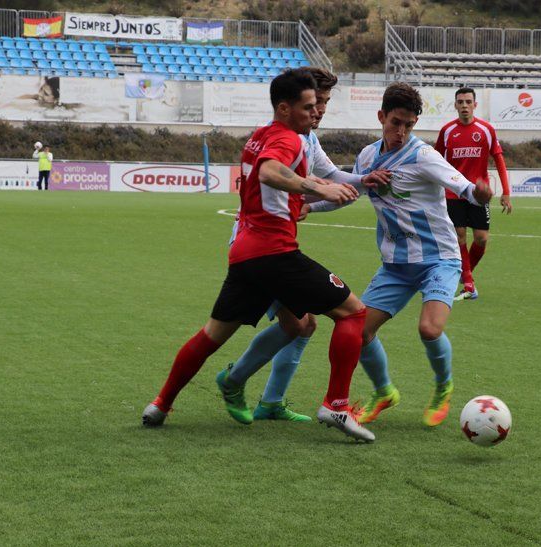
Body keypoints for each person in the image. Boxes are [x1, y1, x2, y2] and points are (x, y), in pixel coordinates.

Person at [142, 69, 375, 442]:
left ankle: (161, 403)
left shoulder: (259, 135)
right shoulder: (289, 140)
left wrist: (322, 189)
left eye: (318, 105)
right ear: (284, 108)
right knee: (354, 312)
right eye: (308, 106)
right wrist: (317, 187)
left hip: (244, 254)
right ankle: (336, 405)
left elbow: (273, 181)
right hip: (275, 253)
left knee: (212, 335)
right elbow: (269, 173)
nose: (314, 113)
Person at [304, 83, 493, 427]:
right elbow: (349, 193)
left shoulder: (423, 156)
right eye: (395, 123)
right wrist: (309, 209)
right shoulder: (366, 157)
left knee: (429, 329)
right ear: (381, 117)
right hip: (396, 265)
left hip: (439, 258)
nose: (401, 132)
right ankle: (384, 392)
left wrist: (479, 194)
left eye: (408, 125)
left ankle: (443, 387)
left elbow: (463, 186)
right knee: (359, 332)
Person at [217, 68, 390, 425]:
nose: (321, 109)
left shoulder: (309, 139)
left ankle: (269, 400)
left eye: (325, 102)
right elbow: (276, 174)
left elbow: (332, 176)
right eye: (317, 101)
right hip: (259, 246)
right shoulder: (282, 137)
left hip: (274, 244)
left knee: (303, 325)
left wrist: (362, 180)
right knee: (307, 323)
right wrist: (313, 193)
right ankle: (235, 381)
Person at [434, 87, 512, 301]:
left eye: (469, 101)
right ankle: (469, 284)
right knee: (459, 235)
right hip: (452, 193)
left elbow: (499, 160)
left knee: (481, 239)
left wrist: (506, 191)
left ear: (475, 105)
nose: (465, 105)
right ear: (456, 105)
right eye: (461, 102)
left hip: (478, 195)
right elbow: (436, 162)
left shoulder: (486, 130)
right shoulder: (447, 131)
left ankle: (464, 273)